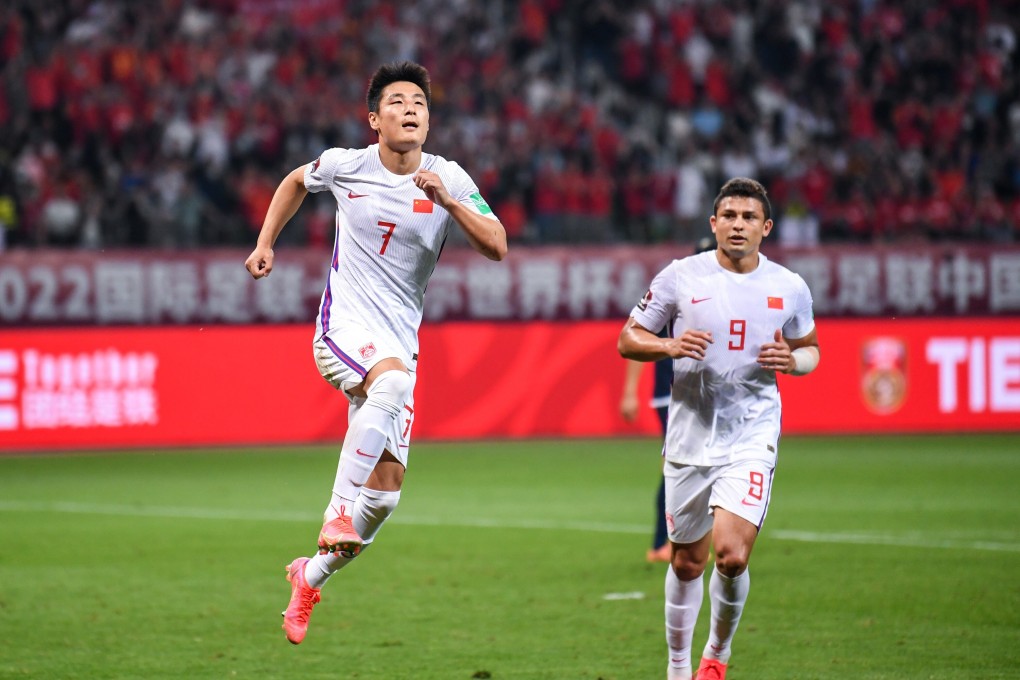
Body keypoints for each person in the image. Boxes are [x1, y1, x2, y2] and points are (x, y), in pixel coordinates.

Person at [244, 61, 507, 645]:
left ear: (429, 120)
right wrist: (266, 243)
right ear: (374, 119)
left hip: (398, 342)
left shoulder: (448, 177)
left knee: (385, 494)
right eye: (397, 101)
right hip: (343, 329)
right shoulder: (346, 165)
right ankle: (334, 512)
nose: (410, 109)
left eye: (419, 102)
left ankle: (308, 577)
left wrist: (452, 202)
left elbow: (497, 245)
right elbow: (293, 181)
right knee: (390, 387)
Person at [617, 178, 819, 680]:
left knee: (730, 556)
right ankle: (677, 666)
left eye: (749, 217)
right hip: (689, 435)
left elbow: (812, 348)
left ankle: (716, 657)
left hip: (751, 433)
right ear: (713, 223)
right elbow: (628, 338)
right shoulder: (680, 277)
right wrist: (668, 346)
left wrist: (794, 360)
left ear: (766, 228)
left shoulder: (788, 286)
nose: (737, 224)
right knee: (687, 563)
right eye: (728, 215)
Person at [619, 236, 717, 564]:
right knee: (676, 465)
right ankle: (663, 541)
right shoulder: (679, 290)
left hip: (708, 393)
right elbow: (638, 337)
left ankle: (687, 536)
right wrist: (631, 392)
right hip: (671, 393)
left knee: (705, 462)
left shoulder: (727, 295)